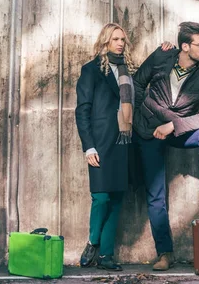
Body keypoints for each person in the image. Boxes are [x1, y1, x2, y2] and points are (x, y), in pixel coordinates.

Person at [132, 21, 199, 271]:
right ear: (185, 46)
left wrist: (173, 126)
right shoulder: (162, 56)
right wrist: (147, 113)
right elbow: (137, 84)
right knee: (156, 195)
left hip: (177, 130)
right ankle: (165, 253)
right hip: (149, 129)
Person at [75, 23, 136, 271]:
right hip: (100, 143)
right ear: (105, 42)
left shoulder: (129, 71)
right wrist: (88, 147)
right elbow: (83, 110)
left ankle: (106, 256)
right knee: (101, 197)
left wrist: (167, 50)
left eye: (123, 39)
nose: (120, 43)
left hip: (123, 143)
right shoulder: (91, 71)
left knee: (117, 200)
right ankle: (93, 241)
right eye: (115, 39)